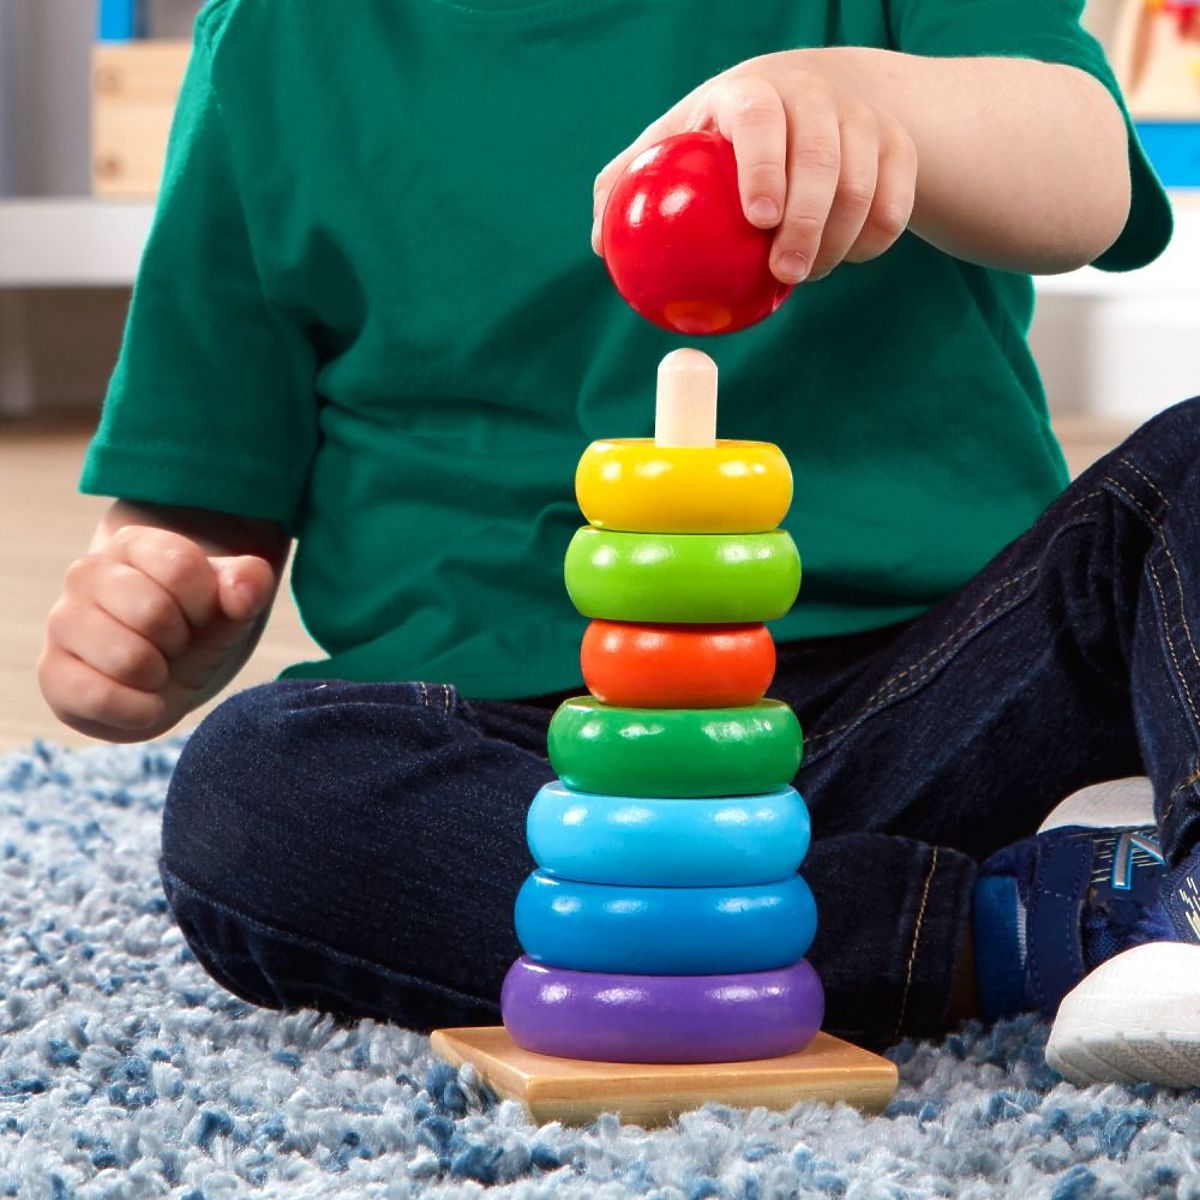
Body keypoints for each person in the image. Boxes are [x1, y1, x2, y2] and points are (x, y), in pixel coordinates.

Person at [36, 0, 1197, 1083]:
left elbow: (1088, 174)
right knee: (254, 796)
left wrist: (873, 100)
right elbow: (199, 502)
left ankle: (1165, 890)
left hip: (933, 708)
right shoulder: (276, 39)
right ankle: (1025, 924)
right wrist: (149, 605)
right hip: (544, 791)